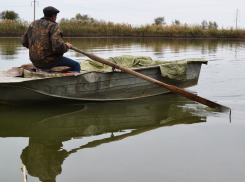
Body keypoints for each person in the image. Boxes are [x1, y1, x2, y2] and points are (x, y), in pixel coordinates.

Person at [21, 6, 81, 73]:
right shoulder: (53, 26)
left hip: (35, 61)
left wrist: (36, 48)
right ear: (53, 16)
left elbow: (24, 42)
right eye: (56, 16)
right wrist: (67, 46)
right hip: (49, 62)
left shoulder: (33, 24)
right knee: (76, 65)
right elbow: (58, 47)